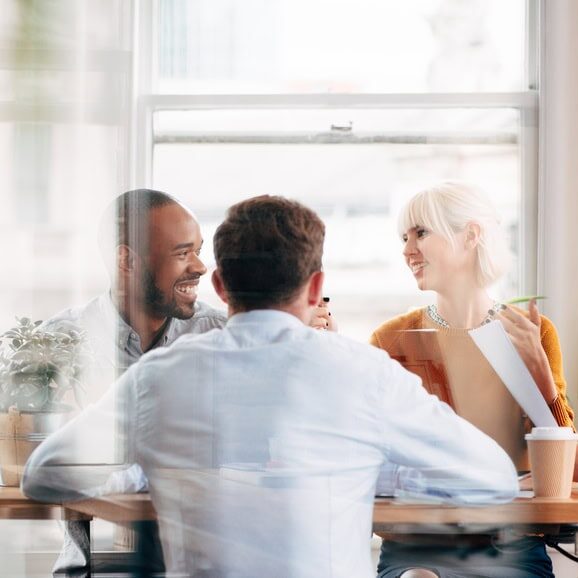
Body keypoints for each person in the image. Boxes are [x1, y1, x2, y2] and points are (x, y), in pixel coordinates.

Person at [23, 195, 518, 578]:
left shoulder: (157, 377)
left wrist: (149, 468)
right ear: (314, 284)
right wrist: (374, 474)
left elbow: (43, 475)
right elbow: (493, 478)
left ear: (220, 286)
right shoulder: (365, 372)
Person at [43, 189, 335, 574]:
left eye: (198, 251)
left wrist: (314, 349)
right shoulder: (58, 342)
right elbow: (33, 463)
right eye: (183, 253)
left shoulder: (222, 333)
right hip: (93, 570)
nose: (199, 267)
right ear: (126, 261)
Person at [370, 181, 574, 578]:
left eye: (421, 233)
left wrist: (539, 373)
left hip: (511, 543)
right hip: (418, 545)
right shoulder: (390, 338)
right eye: (404, 237)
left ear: (471, 236)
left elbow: (564, 469)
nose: (407, 250)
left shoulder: (532, 333)